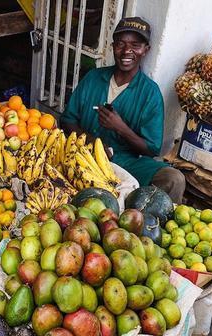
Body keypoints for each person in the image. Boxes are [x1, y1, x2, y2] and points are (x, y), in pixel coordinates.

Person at [61, 17, 185, 203]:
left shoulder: (149, 93)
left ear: (146, 50)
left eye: (135, 45)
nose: (127, 51)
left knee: (174, 179)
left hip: (127, 162)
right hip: (84, 155)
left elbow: (151, 149)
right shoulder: (94, 78)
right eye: (121, 44)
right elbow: (67, 120)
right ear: (113, 47)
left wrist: (120, 127)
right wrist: (91, 141)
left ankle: (146, 223)